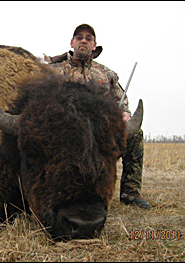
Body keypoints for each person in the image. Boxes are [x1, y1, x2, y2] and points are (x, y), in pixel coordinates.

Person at [44, 24, 150, 209]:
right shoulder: (53, 71)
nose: (83, 40)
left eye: (88, 38)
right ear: (72, 43)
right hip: (67, 135)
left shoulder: (106, 74)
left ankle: (130, 193)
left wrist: (124, 114)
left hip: (100, 136)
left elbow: (121, 102)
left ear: (94, 45)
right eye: (79, 37)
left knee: (135, 135)